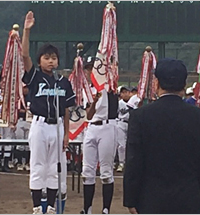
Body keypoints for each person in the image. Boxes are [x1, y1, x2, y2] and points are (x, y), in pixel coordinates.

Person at [123, 58, 200, 214]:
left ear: (156, 83)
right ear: (184, 85)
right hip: (189, 199)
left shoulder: (140, 116)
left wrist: (131, 199)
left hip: (151, 199)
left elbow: (134, 161)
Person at [22, 11, 75, 214]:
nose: (50, 61)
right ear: (40, 60)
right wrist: (27, 30)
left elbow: (67, 109)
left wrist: (67, 134)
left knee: (55, 168)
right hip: (40, 124)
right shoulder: (35, 76)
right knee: (38, 165)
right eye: (46, 58)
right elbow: (25, 55)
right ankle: (37, 207)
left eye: (53, 58)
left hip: (58, 126)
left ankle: (51, 206)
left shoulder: (63, 82)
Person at [80, 57, 119, 214]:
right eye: (88, 69)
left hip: (107, 126)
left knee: (105, 171)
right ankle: (87, 208)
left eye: (93, 68)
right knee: (87, 170)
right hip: (92, 127)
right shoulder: (88, 89)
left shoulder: (109, 87)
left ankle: (105, 209)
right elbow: (88, 115)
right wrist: (94, 102)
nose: (91, 72)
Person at [116, 86, 131, 172]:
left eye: (126, 92)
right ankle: (121, 163)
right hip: (121, 123)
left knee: (130, 145)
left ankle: (129, 163)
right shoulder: (119, 103)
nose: (125, 94)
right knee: (121, 145)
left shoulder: (134, 102)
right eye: (123, 92)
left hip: (131, 124)